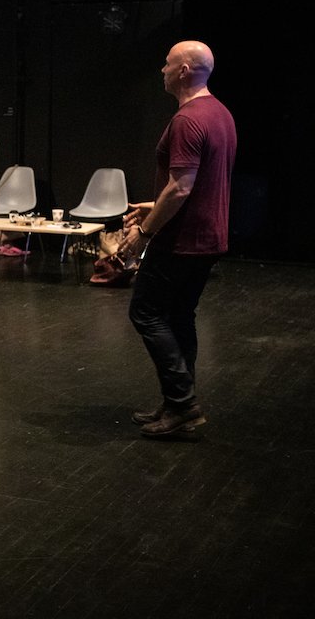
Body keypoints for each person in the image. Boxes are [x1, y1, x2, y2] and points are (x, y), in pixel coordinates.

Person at [118, 40, 237, 438]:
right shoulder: (220, 114)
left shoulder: (187, 120)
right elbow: (197, 185)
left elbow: (182, 188)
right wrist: (153, 204)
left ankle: (183, 404)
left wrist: (144, 232)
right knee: (179, 317)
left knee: (146, 313)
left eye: (168, 64)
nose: (162, 70)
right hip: (209, 236)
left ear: (184, 70)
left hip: (181, 239)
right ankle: (176, 403)